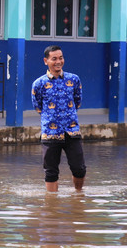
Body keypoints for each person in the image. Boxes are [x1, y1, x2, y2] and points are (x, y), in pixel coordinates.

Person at [31, 45, 86, 193]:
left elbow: (77, 101)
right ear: (46, 61)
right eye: (54, 58)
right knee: (51, 171)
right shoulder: (39, 84)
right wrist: (51, 117)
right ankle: (51, 204)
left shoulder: (74, 80)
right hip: (50, 132)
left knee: (79, 168)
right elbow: (38, 107)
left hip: (71, 130)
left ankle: (78, 195)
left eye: (60, 58)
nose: (58, 61)